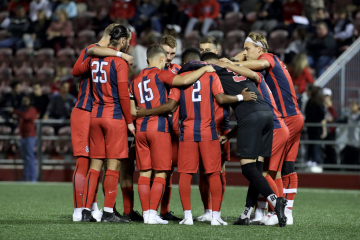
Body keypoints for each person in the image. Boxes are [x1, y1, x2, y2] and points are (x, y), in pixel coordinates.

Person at [137, 48, 284, 227]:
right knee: (215, 174)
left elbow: (171, 105)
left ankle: (188, 217)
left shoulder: (180, 81)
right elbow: (221, 99)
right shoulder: (211, 75)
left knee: (185, 175)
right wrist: (240, 95)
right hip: (210, 131)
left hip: (187, 132)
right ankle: (216, 216)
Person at [131, 45, 222, 224]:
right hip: (159, 127)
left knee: (144, 174)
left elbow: (133, 111)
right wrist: (205, 68)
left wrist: (141, 115)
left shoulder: (135, 80)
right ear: (162, 59)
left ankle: (147, 215)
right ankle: (152, 213)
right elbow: (181, 81)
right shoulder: (161, 74)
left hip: (140, 129)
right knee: (161, 173)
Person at [203, 52, 290, 226]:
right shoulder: (240, 70)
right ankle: (245, 214)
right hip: (266, 116)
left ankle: (275, 200)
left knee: (248, 169)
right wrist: (230, 135)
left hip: (251, 118)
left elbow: (222, 99)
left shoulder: (213, 72)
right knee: (256, 171)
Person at [226, 32, 304, 225]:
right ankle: (273, 212)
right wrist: (238, 59)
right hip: (292, 117)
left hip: (284, 119)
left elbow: (259, 65)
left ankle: (275, 213)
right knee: (286, 167)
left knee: (268, 171)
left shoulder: (266, 58)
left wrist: (230, 64)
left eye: (247, 48)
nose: (245, 53)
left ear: (259, 49)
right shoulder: (273, 59)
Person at [71, 23, 135, 222]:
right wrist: (130, 121)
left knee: (95, 165)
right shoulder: (120, 63)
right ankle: (108, 212)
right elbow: (124, 95)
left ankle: (86, 211)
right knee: (113, 165)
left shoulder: (93, 59)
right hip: (113, 115)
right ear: (122, 41)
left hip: (95, 115)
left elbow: (87, 55)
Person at [195, 36, 231, 223]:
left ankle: (217, 209)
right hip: (200, 127)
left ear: (216, 52)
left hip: (219, 127)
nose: (203, 53)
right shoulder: (196, 72)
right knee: (203, 171)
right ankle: (207, 210)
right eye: (201, 49)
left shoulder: (224, 72)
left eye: (207, 49)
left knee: (218, 171)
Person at [158, 35, 182, 221]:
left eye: (172, 53)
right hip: (154, 125)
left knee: (169, 169)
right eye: (166, 52)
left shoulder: (179, 70)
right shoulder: (150, 71)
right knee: (153, 170)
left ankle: (163, 210)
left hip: (173, 127)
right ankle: (149, 210)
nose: (169, 57)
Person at [9, 96, 37, 182]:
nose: (24, 101)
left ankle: (32, 178)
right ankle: (26, 177)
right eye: (23, 100)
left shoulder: (32, 109)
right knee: (25, 158)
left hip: (30, 136)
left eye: (26, 100)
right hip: (24, 136)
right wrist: (16, 117)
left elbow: (26, 116)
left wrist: (15, 111)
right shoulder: (24, 110)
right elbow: (23, 118)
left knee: (30, 157)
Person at [305, 85, 326, 169]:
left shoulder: (313, 102)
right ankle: (313, 161)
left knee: (313, 144)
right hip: (314, 127)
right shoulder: (315, 102)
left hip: (314, 127)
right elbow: (322, 115)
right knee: (313, 144)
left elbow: (321, 115)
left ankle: (313, 161)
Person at [341, 101, 360, 165]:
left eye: (353, 105)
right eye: (351, 105)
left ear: (358, 106)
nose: (351, 107)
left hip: (357, 144)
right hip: (349, 143)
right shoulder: (348, 117)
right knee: (349, 163)